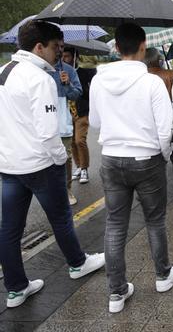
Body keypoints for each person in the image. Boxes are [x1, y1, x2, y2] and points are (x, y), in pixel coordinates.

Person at [0, 20, 105, 308]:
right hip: (40, 164)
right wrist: (60, 160)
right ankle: (77, 263)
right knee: (60, 219)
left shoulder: (4, 72)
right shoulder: (40, 79)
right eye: (54, 47)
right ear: (39, 47)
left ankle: (16, 288)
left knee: (9, 229)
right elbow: (48, 133)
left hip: (9, 167)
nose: (58, 53)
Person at [90, 23, 173, 313]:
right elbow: (165, 129)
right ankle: (162, 275)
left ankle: (116, 294)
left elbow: (95, 123)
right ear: (143, 45)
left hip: (111, 158)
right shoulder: (152, 83)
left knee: (115, 224)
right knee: (154, 220)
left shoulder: (99, 80)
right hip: (147, 160)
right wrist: (164, 155)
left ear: (116, 48)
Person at [144, 47, 173, 206]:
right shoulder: (171, 75)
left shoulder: (143, 78)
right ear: (159, 59)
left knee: (154, 159)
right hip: (171, 122)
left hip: (149, 123)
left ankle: (155, 194)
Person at [51, 37, 82, 205]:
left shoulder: (69, 70)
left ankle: (67, 190)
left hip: (63, 123)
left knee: (65, 158)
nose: (59, 50)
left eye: (62, 46)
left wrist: (68, 83)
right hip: (43, 124)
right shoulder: (38, 71)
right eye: (56, 45)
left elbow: (77, 93)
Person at [62, 50, 96, 187]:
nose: (65, 59)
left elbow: (90, 92)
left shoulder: (84, 72)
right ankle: (78, 166)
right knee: (72, 143)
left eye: (68, 56)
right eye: (63, 56)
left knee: (79, 140)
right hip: (68, 113)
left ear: (75, 57)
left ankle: (84, 169)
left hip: (82, 111)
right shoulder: (61, 72)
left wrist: (74, 85)